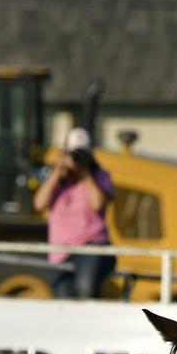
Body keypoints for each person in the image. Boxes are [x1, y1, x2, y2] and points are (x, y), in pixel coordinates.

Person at [33, 127, 116, 299]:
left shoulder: (100, 176)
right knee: (63, 298)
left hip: (91, 246)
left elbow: (98, 203)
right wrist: (57, 170)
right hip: (60, 251)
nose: (78, 159)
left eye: (82, 154)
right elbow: (39, 204)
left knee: (85, 291)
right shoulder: (57, 179)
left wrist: (85, 174)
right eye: (74, 154)